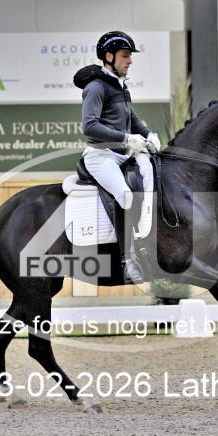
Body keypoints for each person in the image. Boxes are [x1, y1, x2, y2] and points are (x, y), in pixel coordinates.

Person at [72, 31, 160, 284]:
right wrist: (126, 139)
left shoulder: (121, 85)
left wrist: (148, 134)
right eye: (125, 56)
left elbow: (132, 118)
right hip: (101, 156)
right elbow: (89, 126)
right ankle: (128, 262)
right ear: (109, 56)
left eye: (130, 56)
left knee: (155, 176)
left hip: (122, 154)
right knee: (126, 196)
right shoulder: (96, 87)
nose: (129, 61)